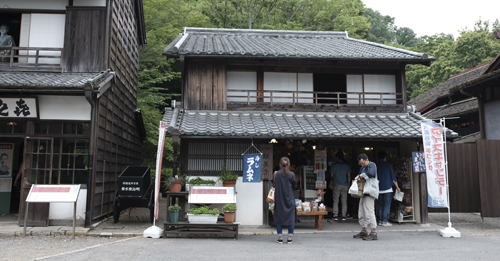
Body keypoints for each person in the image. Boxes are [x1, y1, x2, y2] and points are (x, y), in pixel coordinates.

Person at [353, 153, 378, 241]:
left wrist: (360, 176)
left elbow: (371, 173)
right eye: (360, 164)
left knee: (369, 212)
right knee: (362, 211)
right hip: (363, 192)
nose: (362, 165)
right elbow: (361, 176)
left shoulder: (372, 165)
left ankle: (373, 232)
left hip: (370, 192)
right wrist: (359, 177)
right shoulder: (362, 167)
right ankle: (364, 231)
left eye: (363, 163)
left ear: (367, 160)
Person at [273, 157, 298, 244]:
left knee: (278, 218)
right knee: (291, 218)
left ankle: (280, 237)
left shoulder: (276, 174)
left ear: (280, 164)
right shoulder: (292, 174)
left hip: (279, 199)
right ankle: (289, 237)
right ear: (289, 164)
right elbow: (295, 186)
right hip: (290, 198)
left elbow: (274, 184)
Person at [377, 151, 400, 227]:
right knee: (386, 205)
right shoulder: (388, 165)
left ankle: (380, 220)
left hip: (379, 189)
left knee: (381, 205)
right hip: (387, 189)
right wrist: (397, 187)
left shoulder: (376, 166)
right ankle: (385, 221)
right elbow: (393, 177)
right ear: (385, 158)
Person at [330, 150, 351, 221]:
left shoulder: (334, 165)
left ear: (336, 157)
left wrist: (334, 179)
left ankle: (335, 215)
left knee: (336, 200)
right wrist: (348, 184)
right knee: (344, 200)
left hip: (336, 184)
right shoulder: (346, 166)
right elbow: (349, 176)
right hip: (344, 184)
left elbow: (331, 175)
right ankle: (344, 215)